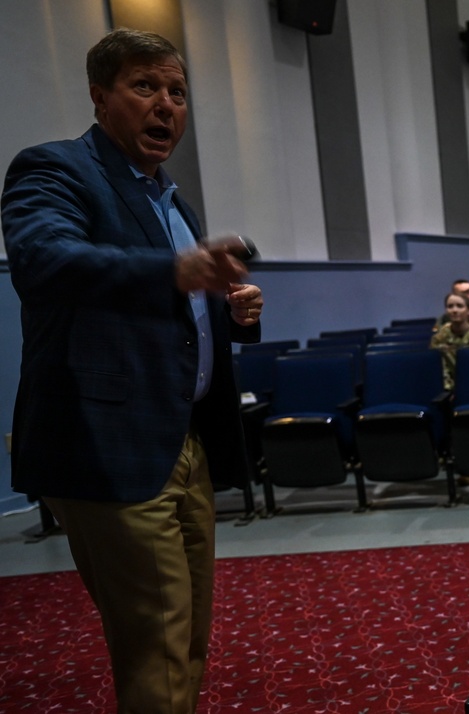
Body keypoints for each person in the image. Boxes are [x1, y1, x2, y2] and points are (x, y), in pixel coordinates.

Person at [1, 28, 265, 713]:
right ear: (100, 96)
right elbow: (44, 261)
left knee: (188, 636)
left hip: (183, 440)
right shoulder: (54, 170)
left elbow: (178, 318)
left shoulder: (173, 202)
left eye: (177, 92)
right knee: (155, 638)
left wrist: (234, 311)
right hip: (109, 443)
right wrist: (175, 271)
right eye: (145, 86)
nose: (166, 105)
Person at [429, 291, 469, 391]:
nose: (454, 310)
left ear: (468, 311)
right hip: (449, 393)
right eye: (450, 306)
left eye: (460, 306)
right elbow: (439, 371)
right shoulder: (438, 339)